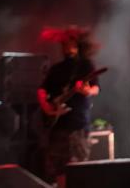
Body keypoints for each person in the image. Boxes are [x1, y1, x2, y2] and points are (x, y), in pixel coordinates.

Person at [37, 28, 100, 187]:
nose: (66, 46)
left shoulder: (86, 65)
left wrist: (86, 91)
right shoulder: (56, 69)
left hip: (77, 124)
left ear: (77, 44)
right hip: (57, 125)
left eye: (69, 43)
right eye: (64, 43)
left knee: (77, 167)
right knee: (59, 169)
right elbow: (42, 90)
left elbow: (95, 88)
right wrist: (46, 106)